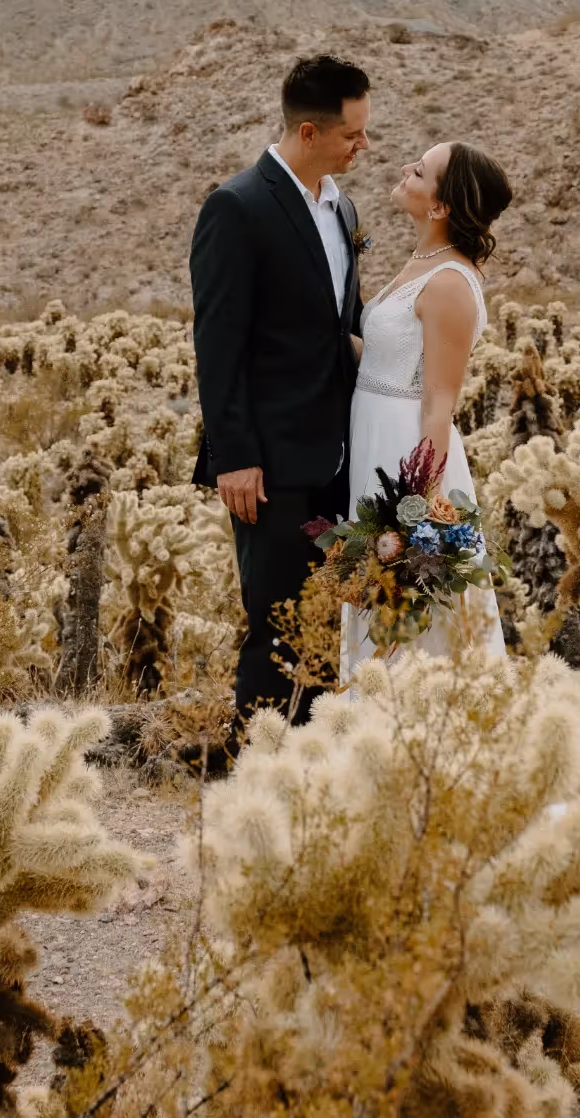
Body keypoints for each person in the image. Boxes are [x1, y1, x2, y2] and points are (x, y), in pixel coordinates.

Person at [190, 55, 369, 730]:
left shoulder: (342, 206)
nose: (363, 146)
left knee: (330, 620)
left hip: (341, 454)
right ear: (306, 131)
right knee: (275, 625)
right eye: (353, 134)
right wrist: (234, 453)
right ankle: (256, 781)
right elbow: (218, 340)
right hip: (267, 464)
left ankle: (315, 774)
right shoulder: (237, 206)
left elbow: (340, 325)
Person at [340, 140, 514, 679]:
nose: (403, 170)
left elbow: (439, 404)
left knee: (407, 605)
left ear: (439, 207)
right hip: (374, 442)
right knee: (371, 600)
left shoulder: (450, 285)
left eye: (418, 171)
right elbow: (389, 362)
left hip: (407, 458)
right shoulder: (424, 263)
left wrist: (418, 510)